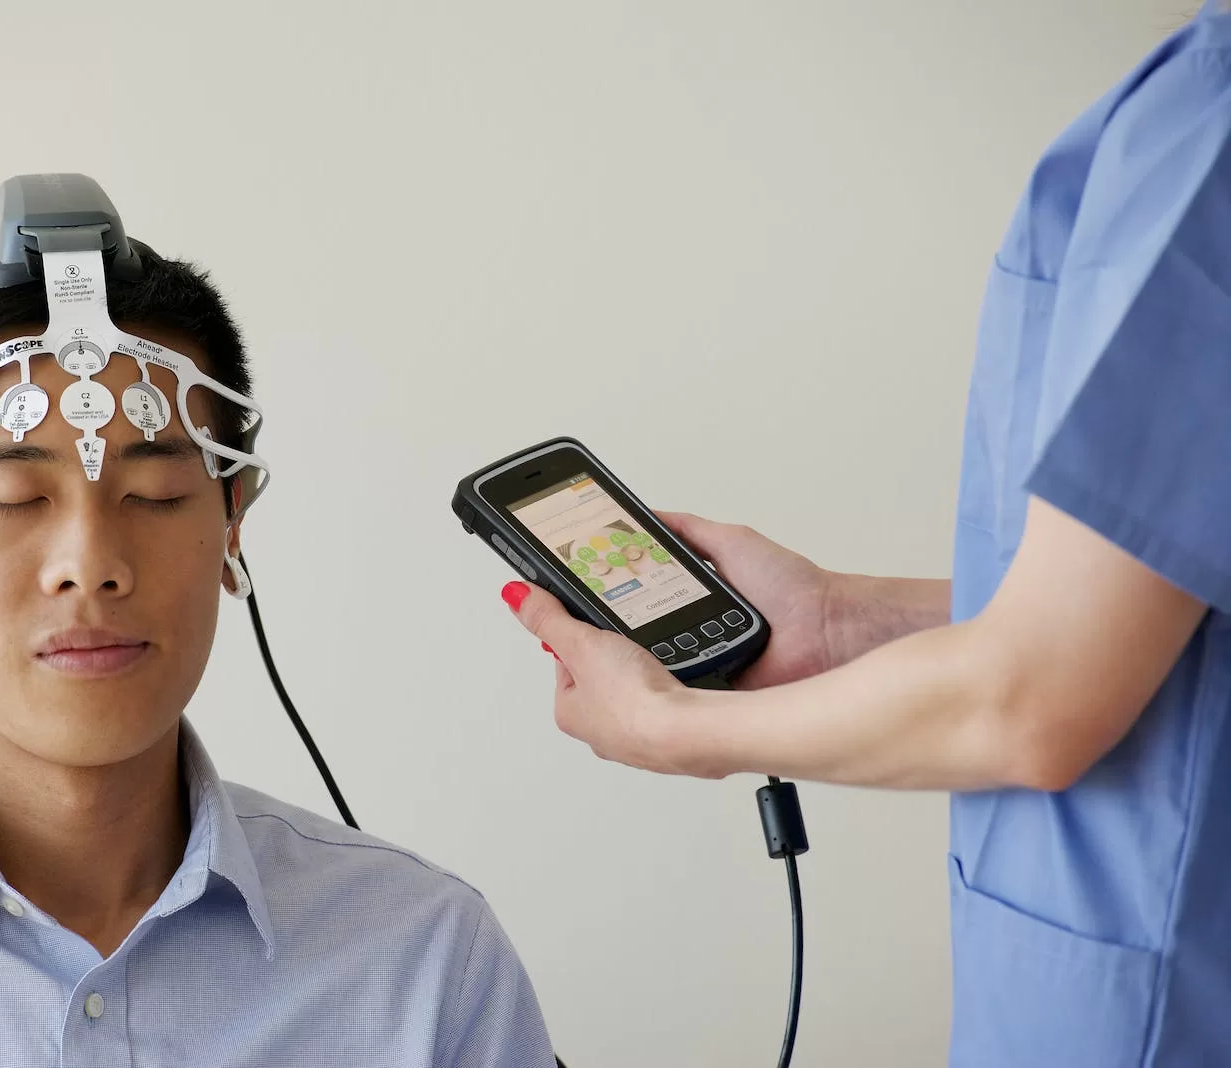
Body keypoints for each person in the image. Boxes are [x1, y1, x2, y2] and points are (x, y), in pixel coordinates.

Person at [0, 178, 555, 1067]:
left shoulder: (425, 961)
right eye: (13, 495)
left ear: (233, 521)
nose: (91, 564)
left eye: (155, 494)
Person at [503, 5, 1231, 1066]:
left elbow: (1037, 701)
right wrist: (841, 623)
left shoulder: (1209, 122)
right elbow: (1157, 602)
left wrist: (680, 731)